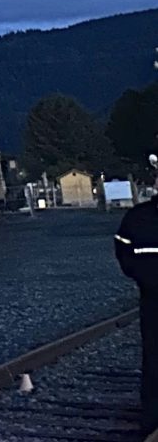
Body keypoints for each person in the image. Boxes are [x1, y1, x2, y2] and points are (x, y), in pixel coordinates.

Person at [115, 183, 158, 433]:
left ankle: (152, 416)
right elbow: (122, 249)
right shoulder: (137, 217)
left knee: (153, 358)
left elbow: (123, 251)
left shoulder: (136, 217)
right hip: (152, 298)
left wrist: (144, 278)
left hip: (151, 298)